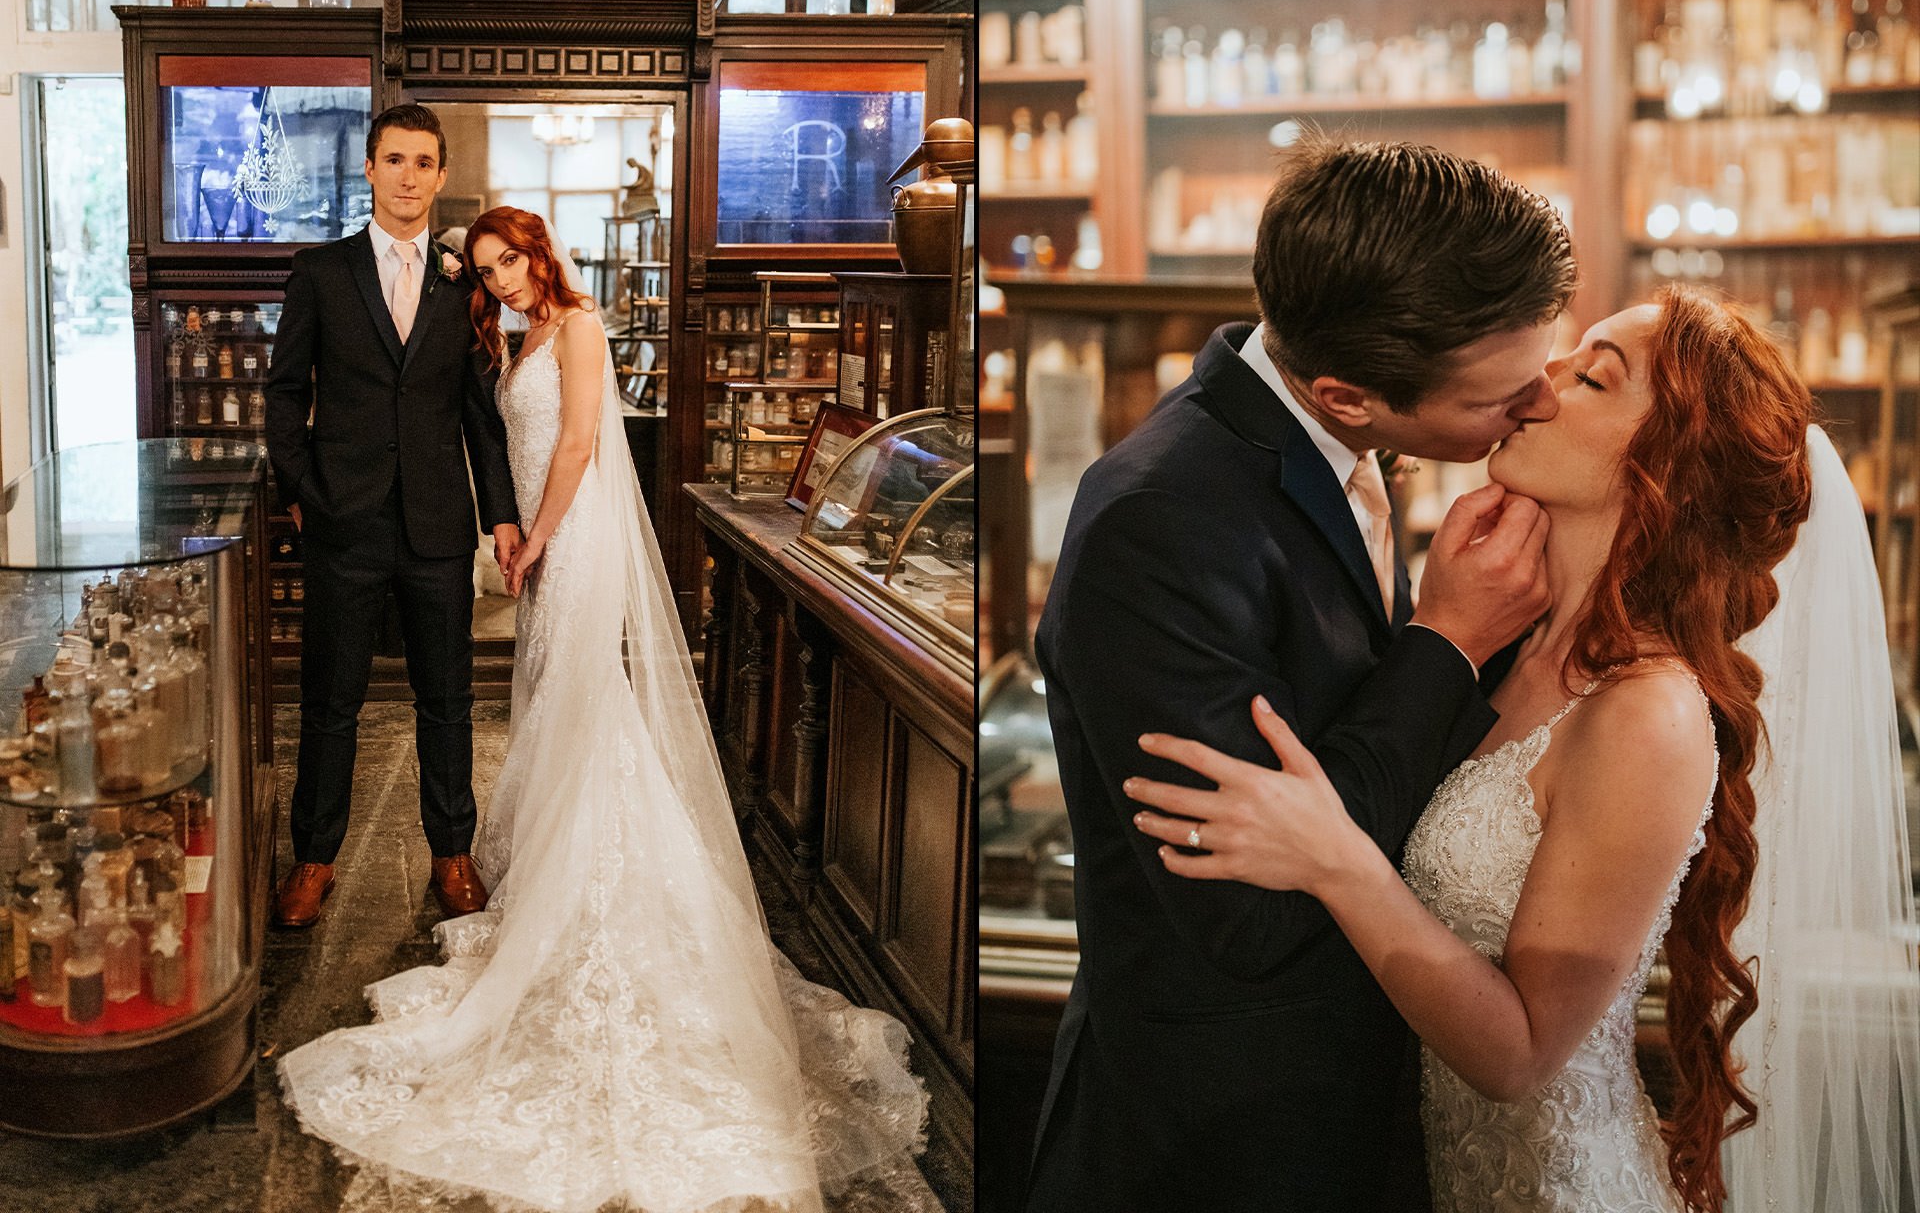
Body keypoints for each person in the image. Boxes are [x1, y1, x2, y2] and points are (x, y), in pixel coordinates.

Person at [1130, 286, 1919, 1210]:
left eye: (1591, 376)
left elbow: (1523, 1055)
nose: (1539, 384)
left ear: (1667, 467)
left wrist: (1333, 858)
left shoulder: (1648, 714)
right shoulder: (1506, 643)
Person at [277, 207, 932, 1213]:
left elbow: (579, 443)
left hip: (571, 540)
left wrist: (533, 536)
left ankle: (598, 884)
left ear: (544, 253)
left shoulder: (578, 328)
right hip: (536, 545)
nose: (498, 280)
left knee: (585, 709)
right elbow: (491, 413)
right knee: (550, 708)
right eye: (486, 268)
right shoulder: (516, 331)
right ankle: (551, 866)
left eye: (511, 261)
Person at [1025, 139, 1575, 1212]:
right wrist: (1448, 641)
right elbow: (1250, 911)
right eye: (1501, 397)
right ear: (1348, 394)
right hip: (1217, 1144)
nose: (1541, 404)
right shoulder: (1158, 521)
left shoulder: (1331, 445)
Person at [264, 103, 520, 929]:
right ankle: (314, 858)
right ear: (370, 170)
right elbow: (284, 393)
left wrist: (503, 516)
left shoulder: (464, 283)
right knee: (330, 699)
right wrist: (305, 489)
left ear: (441, 177)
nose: (409, 176)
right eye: (394, 160)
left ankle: (452, 853)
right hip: (344, 521)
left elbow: (480, 413)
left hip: (438, 527)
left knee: (445, 697)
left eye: (423, 163)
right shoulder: (321, 272)